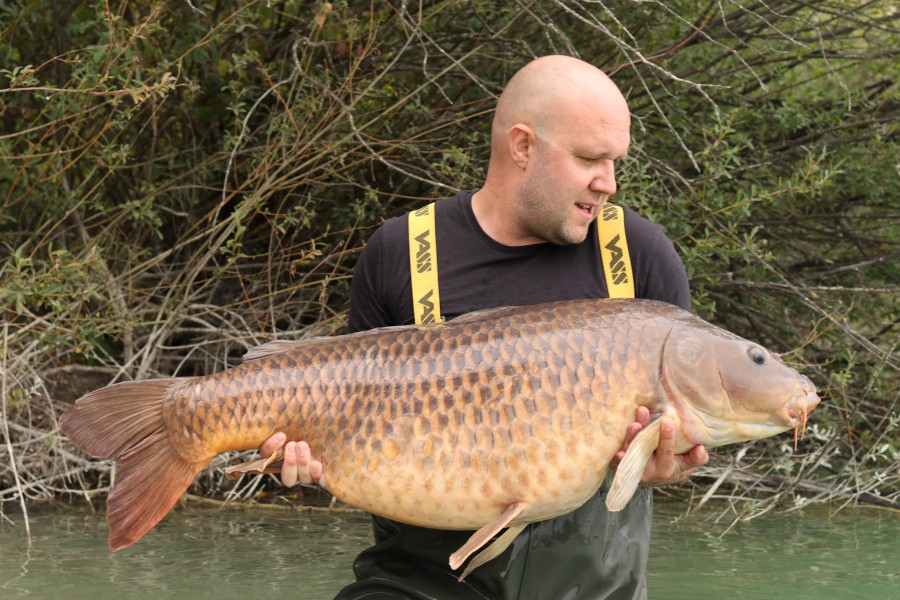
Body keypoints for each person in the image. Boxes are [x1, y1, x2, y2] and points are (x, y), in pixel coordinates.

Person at [259, 55, 708, 599]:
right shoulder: (402, 250)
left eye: (616, 162)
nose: (608, 183)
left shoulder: (639, 255)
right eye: (591, 158)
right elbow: (349, 420)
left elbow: (674, 450)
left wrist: (667, 466)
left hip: (591, 589)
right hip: (419, 585)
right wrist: (305, 458)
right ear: (522, 146)